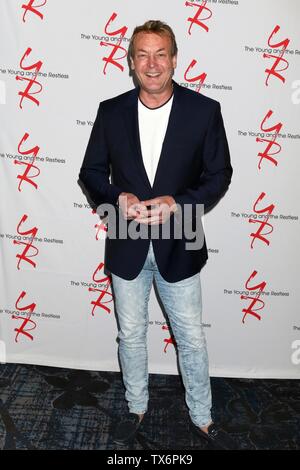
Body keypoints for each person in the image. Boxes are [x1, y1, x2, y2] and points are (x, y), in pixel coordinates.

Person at [79, 20, 234, 449]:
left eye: (160, 54)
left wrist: (178, 203)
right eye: (142, 55)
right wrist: (117, 198)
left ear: (174, 59)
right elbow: (90, 173)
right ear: (130, 62)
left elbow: (219, 174)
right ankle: (136, 408)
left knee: (191, 338)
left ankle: (202, 417)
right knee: (130, 335)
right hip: (126, 240)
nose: (152, 64)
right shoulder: (111, 112)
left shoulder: (204, 111)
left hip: (179, 240)